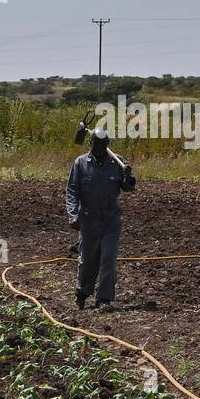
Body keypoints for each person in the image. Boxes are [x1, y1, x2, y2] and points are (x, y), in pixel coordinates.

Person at [65, 126, 135, 312]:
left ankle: (103, 298)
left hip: (111, 220)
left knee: (108, 259)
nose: (99, 149)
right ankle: (82, 292)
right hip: (88, 220)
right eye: (96, 145)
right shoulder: (81, 163)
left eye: (103, 145)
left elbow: (128, 188)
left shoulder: (118, 162)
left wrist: (129, 177)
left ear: (107, 145)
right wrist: (73, 214)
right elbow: (72, 191)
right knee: (88, 260)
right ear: (91, 144)